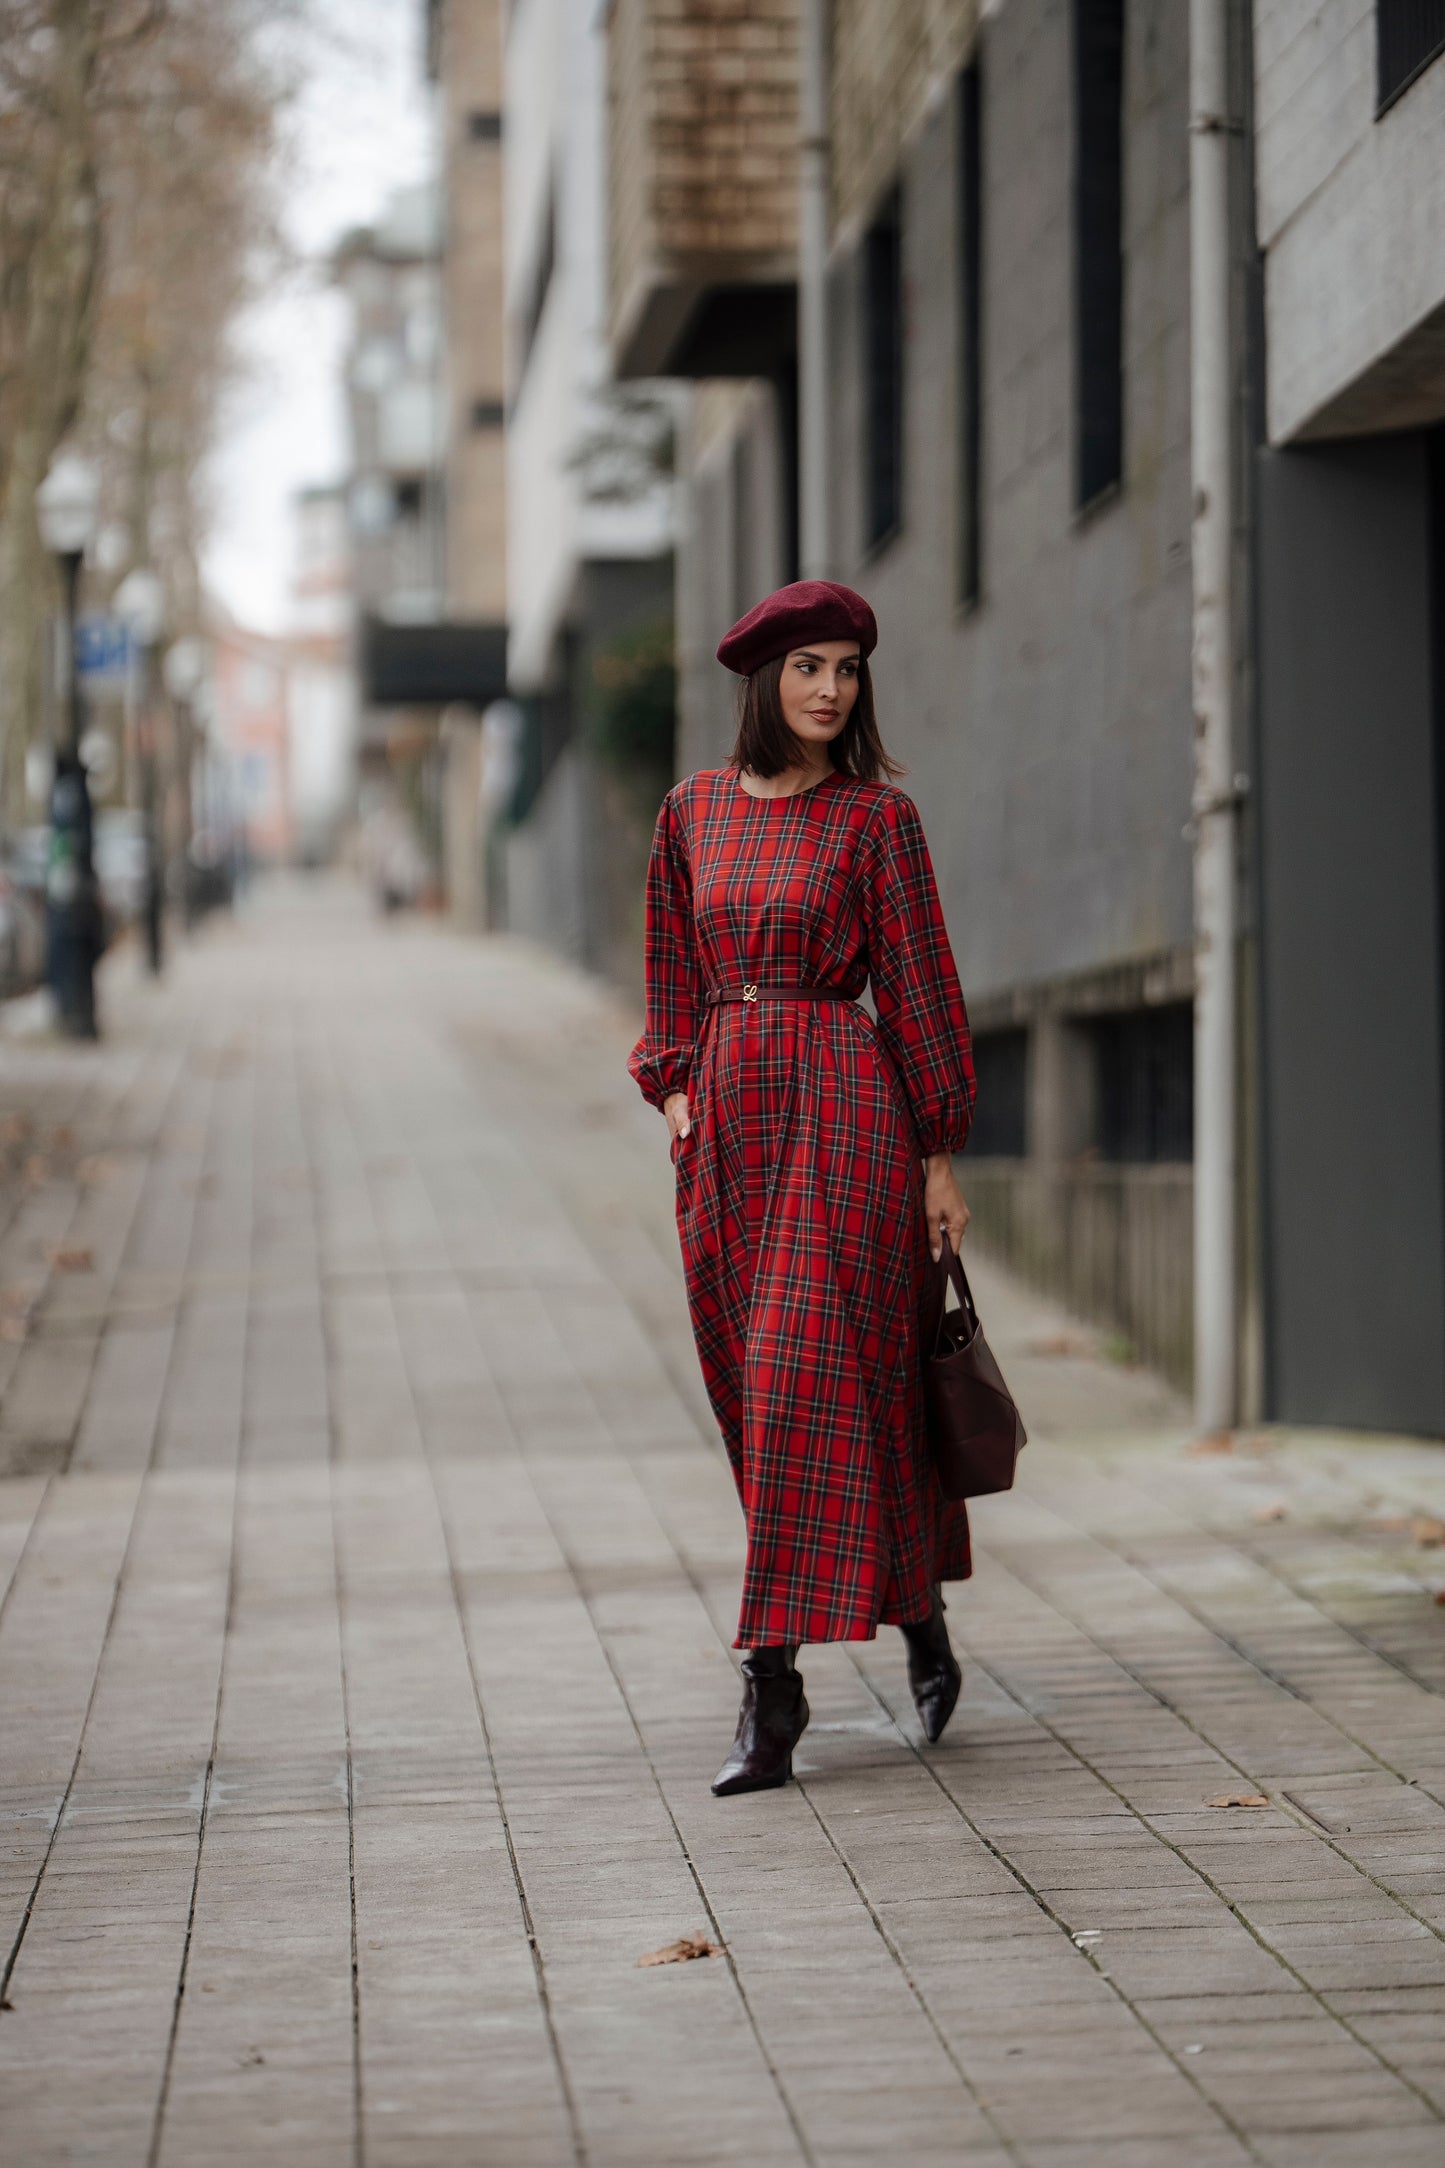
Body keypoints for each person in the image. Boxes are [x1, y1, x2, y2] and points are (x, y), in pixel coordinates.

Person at [628, 580, 977, 1796]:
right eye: (807, 666)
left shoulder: (878, 821)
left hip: (846, 1118)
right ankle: (920, 1614)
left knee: (799, 1380)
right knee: (769, 1395)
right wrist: (676, 1092)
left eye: (846, 668)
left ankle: (769, 1690)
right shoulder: (690, 815)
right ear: (763, 680)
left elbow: (922, 987)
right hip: (729, 1130)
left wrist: (936, 1152)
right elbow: (669, 977)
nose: (830, 688)